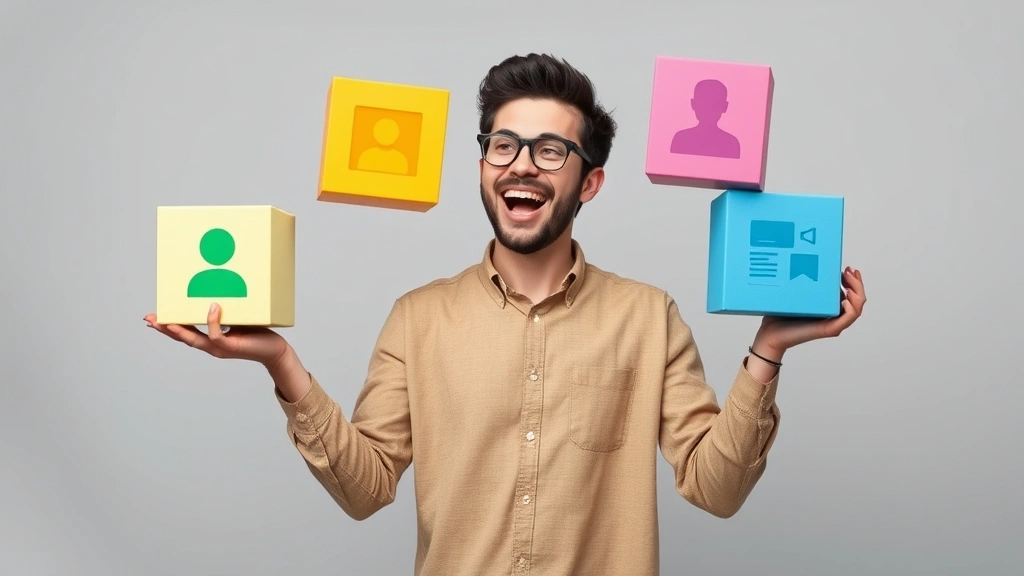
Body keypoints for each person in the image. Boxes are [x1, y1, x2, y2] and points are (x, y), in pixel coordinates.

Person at [143, 53, 866, 575]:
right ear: (484, 165)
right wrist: (279, 360)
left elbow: (718, 489)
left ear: (590, 182)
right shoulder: (417, 318)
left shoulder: (649, 318)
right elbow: (365, 491)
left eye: (551, 150)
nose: (522, 164)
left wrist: (769, 348)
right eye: (504, 145)